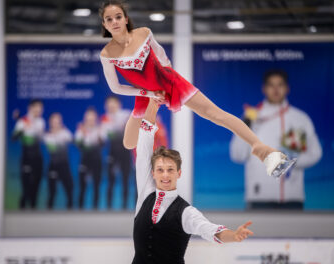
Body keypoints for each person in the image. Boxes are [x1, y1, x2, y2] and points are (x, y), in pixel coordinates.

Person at [98, 1, 293, 179]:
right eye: (109, 19)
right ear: (105, 25)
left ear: (125, 19)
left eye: (118, 17)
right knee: (129, 143)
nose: (114, 21)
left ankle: (264, 151)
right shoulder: (106, 54)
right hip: (146, 93)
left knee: (215, 114)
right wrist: (149, 94)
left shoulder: (144, 33)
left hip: (169, 82)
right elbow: (115, 87)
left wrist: (168, 79)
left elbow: (162, 56)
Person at [124, 98, 253, 264]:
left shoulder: (186, 212)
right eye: (160, 170)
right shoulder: (145, 194)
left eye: (170, 170)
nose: (165, 175)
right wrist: (153, 105)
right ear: (153, 173)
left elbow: (210, 230)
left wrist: (234, 236)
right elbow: (144, 147)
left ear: (179, 173)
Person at [230, 69, 322, 210]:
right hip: (259, 198)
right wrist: (245, 125)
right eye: (271, 85)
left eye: (280, 85)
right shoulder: (251, 116)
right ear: (264, 89)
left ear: (287, 88)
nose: (276, 89)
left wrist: (291, 161)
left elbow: (315, 153)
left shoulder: (300, 119)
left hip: (293, 198)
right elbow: (237, 155)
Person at [12, 100, 45, 209]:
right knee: (26, 190)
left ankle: (33, 218)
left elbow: (40, 136)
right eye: (37, 107)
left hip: (38, 159)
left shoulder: (41, 121)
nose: (39, 110)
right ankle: (21, 213)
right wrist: (21, 130)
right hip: (26, 158)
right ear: (30, 108)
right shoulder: (22, 121)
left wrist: (31, 126)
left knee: (35, 190)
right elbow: (13, 138)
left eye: (41, 108)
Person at [101, 96, 132, 209]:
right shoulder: (105, 118)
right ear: (106, 106)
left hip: (125, 152)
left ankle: (125, 206)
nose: (111, 106)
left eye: (113, 104)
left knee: (126, 179)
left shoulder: (126, 114)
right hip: (112, 152)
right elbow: (103, 136)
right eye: (108, 105)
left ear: (118, 104)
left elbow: (136, 120)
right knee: (110, 180)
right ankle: (109, 206)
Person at [75, 108, 105, 210]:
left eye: (92, 118)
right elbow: (78, 144)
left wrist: (99, 135)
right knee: (82, 186)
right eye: (88, 118)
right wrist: (83, 134)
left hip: (97, 161)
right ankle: (80, 209)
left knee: (96, 186)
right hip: (85, 161)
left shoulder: (100, 129)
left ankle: (95, 208)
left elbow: (103, 143)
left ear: (95, 119)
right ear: (85, 119)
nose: (90, 120)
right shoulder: (81, 130)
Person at [43, 113, 74, 209]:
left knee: (70, 190)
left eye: (58, 121)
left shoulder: (65, 132)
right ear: (50, 122)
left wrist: (61, 131)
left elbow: (71, 139)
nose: (56, 123)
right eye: (54, 121)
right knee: (52, 192)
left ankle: (71, 215)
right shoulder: (47, 135)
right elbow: (52, 148)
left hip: (65, 166)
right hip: (53, 165)